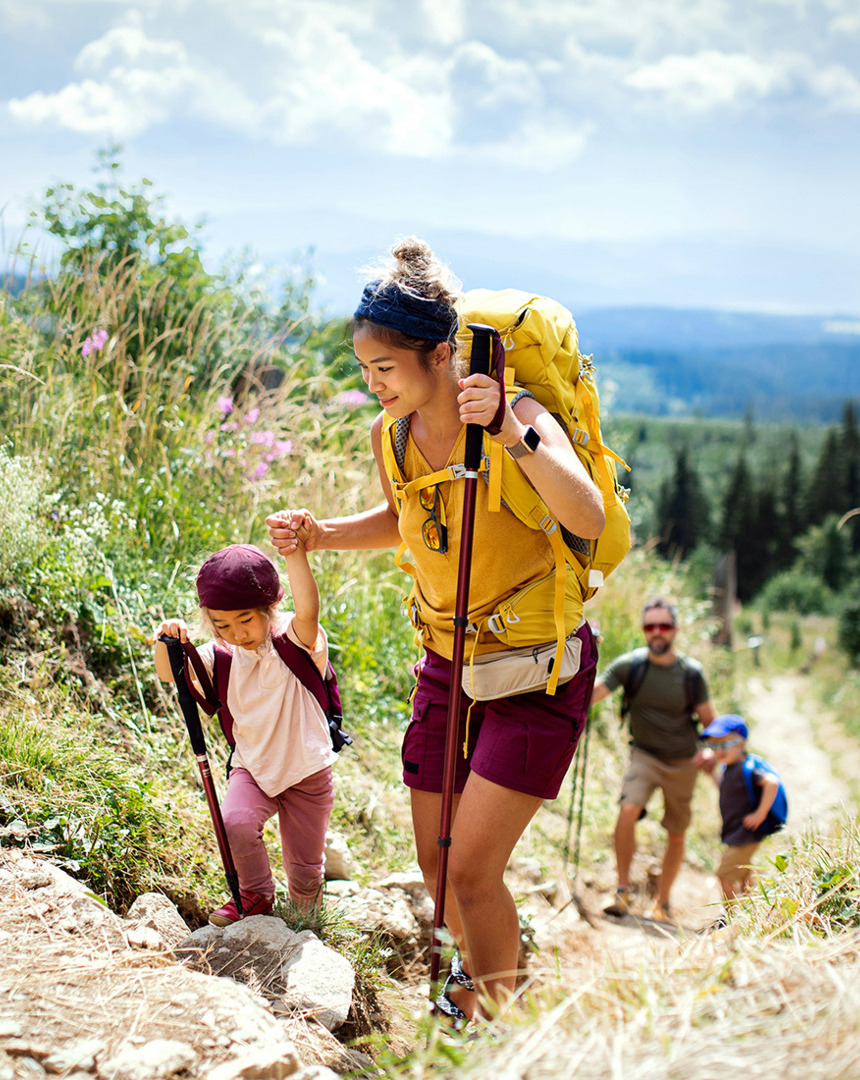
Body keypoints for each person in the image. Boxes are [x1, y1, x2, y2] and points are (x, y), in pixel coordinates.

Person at [266, 236, 605, 1024]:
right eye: (364, 370)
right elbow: (406, 518)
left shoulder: (516, 413)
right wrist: (323, 534)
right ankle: (485, 985)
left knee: (476, 871)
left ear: (441, 356)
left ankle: (497, 1026)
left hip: (535, 670)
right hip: (447, 663)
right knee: (437, 865)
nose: (373, 384)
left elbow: (584, 511)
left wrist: (515, 437)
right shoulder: (392, 434)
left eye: (385, 369)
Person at [154, 536, 336, 926]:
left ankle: (307, 917)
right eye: (221, 624)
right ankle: (255, 896)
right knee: (235, 822)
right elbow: (171, 673)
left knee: (305, 867)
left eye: (245, 620)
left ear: (270, 609)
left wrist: (295, 553)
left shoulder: (294, 640)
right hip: (252, 766)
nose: (235, 633)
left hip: (307, 770)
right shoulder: (219, 656)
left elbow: (308, 609)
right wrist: (165, 640)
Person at [589, 598, 717, 921]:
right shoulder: (629, 666)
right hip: (644, 756)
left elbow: (710, 723)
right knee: (627, 810)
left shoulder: (691, 673)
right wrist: (584, 656)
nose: (657, 633)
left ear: (675, 629)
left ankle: (663, 901)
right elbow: (592, 694)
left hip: (683, 762)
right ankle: (622, 891)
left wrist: (711, 750)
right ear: (643, 630)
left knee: (676, 832)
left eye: (664, 626)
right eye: (650, 627)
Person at [699, 713, 781, 905]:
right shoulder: (730, 769)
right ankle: (752, 909)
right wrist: (712, 773)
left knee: (724, 875)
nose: (719, 751)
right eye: (714, 746)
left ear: (741, 744)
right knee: (744, 873)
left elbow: (771, 783)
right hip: (738, 832)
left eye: (725, 745)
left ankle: (732, 915)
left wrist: (759, 814)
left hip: (746, 833)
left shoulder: (748, 767)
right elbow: (726, 790)